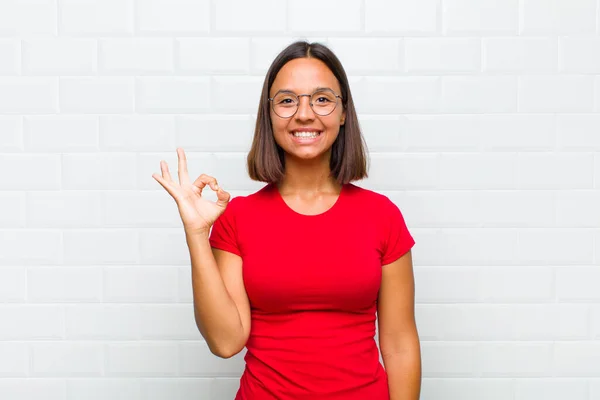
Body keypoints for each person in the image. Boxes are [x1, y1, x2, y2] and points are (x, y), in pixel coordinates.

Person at [152, 41, 421, 400]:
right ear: (270, 114)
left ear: (343, 113)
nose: (305, 114)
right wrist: (198, 234)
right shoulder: (238, 218)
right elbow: (225, 341)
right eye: (287, 100)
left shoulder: (381, 215)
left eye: (322, 99)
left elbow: (400, 344)